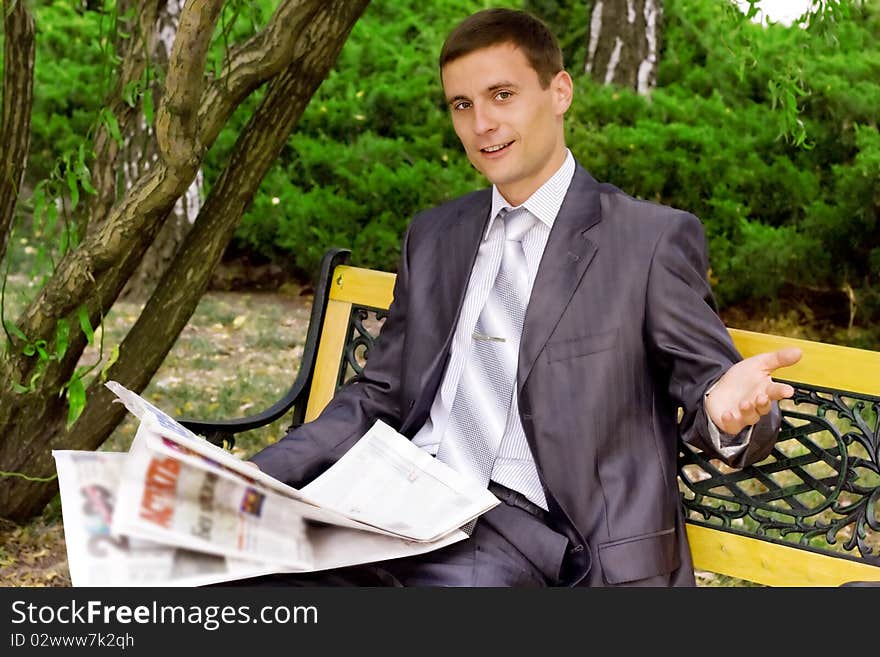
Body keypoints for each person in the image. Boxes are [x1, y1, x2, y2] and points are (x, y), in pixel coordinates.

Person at [244, 7, 802, 586]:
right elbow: (381, 392)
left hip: (536, 535)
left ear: (559, 91)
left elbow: (718, 388)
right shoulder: (435, 236)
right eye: (462, 105)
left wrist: (726, 410)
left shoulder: (647, 241)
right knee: (232, 573)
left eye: (502, 94)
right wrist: (253, 478)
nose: (481, 122)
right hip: (401, 506)